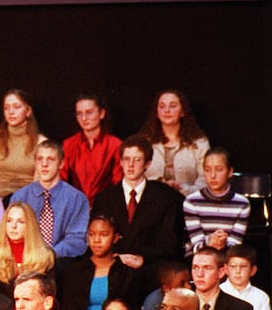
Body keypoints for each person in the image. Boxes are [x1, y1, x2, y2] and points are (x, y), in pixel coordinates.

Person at [91, 134, 186, 266]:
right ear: (120, 162)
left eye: (137, 160)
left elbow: (170, 243)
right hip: (112, 266)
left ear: (148, 163)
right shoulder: (105, 198)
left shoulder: (165, 198)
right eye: (126, 159)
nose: (130, 165)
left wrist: (142, 258)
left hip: (150, 268)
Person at [9, 140, 89, 259]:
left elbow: (76, 241)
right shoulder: (20, 197)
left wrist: (48, 255)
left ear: (61, 163)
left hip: (62, 262)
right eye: (40, 159)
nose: (44, 164)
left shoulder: (76, 199)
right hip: (25, 260)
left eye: (51, 159)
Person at [57, 213, 136, 310]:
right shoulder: (74, 271)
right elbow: (69, 309)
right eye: (92, 234)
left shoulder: (125, 273)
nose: (96, 240)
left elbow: (129, 307)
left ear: (115, 238)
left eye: (103, 235)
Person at [140, 89, 211, 195]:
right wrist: (161, 185)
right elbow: (136, 175)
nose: (167, 110)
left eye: (172, 106)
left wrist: (183, 190)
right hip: (151, 202)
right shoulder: (144, 142)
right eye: (162, 106)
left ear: (183, 111)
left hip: (189, 203)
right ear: (157, 112)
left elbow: (206, 177)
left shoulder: (199, 143)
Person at [184, 147, 252, 251]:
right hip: (199, 256)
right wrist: (210, 240)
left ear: (230, 172)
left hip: (228, 257)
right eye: (207, 170)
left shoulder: (242, 204)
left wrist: (222, 242)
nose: (212, 175)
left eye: (219, 169)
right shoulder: (192, 202)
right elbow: (196, 243)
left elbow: (235, 244)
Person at [0, 90, 46, 199]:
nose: (10, 112)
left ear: (28, 111)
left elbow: (38, 182)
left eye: (16, 107)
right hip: (0, 199)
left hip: (28, 200)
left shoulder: (40, 141)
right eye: (6, 108)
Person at [61, 93, 121, 205]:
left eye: (89, 112)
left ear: (102, 113)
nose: (84, 118)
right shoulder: (69, 144)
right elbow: (61, 179)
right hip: (74, 205)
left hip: (105, 206)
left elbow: (118, 183)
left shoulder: (115, 145)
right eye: (79, 114)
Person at [0, 202, 55, 295]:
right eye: (9, 221)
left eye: (20, 222)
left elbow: (49, 295)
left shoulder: (46, 256)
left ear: (30, 225)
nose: (13, 226)